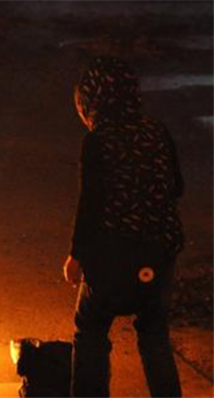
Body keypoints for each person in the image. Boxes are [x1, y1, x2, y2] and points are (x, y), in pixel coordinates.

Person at [63, 57, 184, 397]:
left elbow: (90, 205)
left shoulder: (98, 140)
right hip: (161, 251)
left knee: (90, 329)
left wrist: (76, 257)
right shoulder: (156, 130)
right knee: (155, 333)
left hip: (114, 255)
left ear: (91, 101)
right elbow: (177, 186)